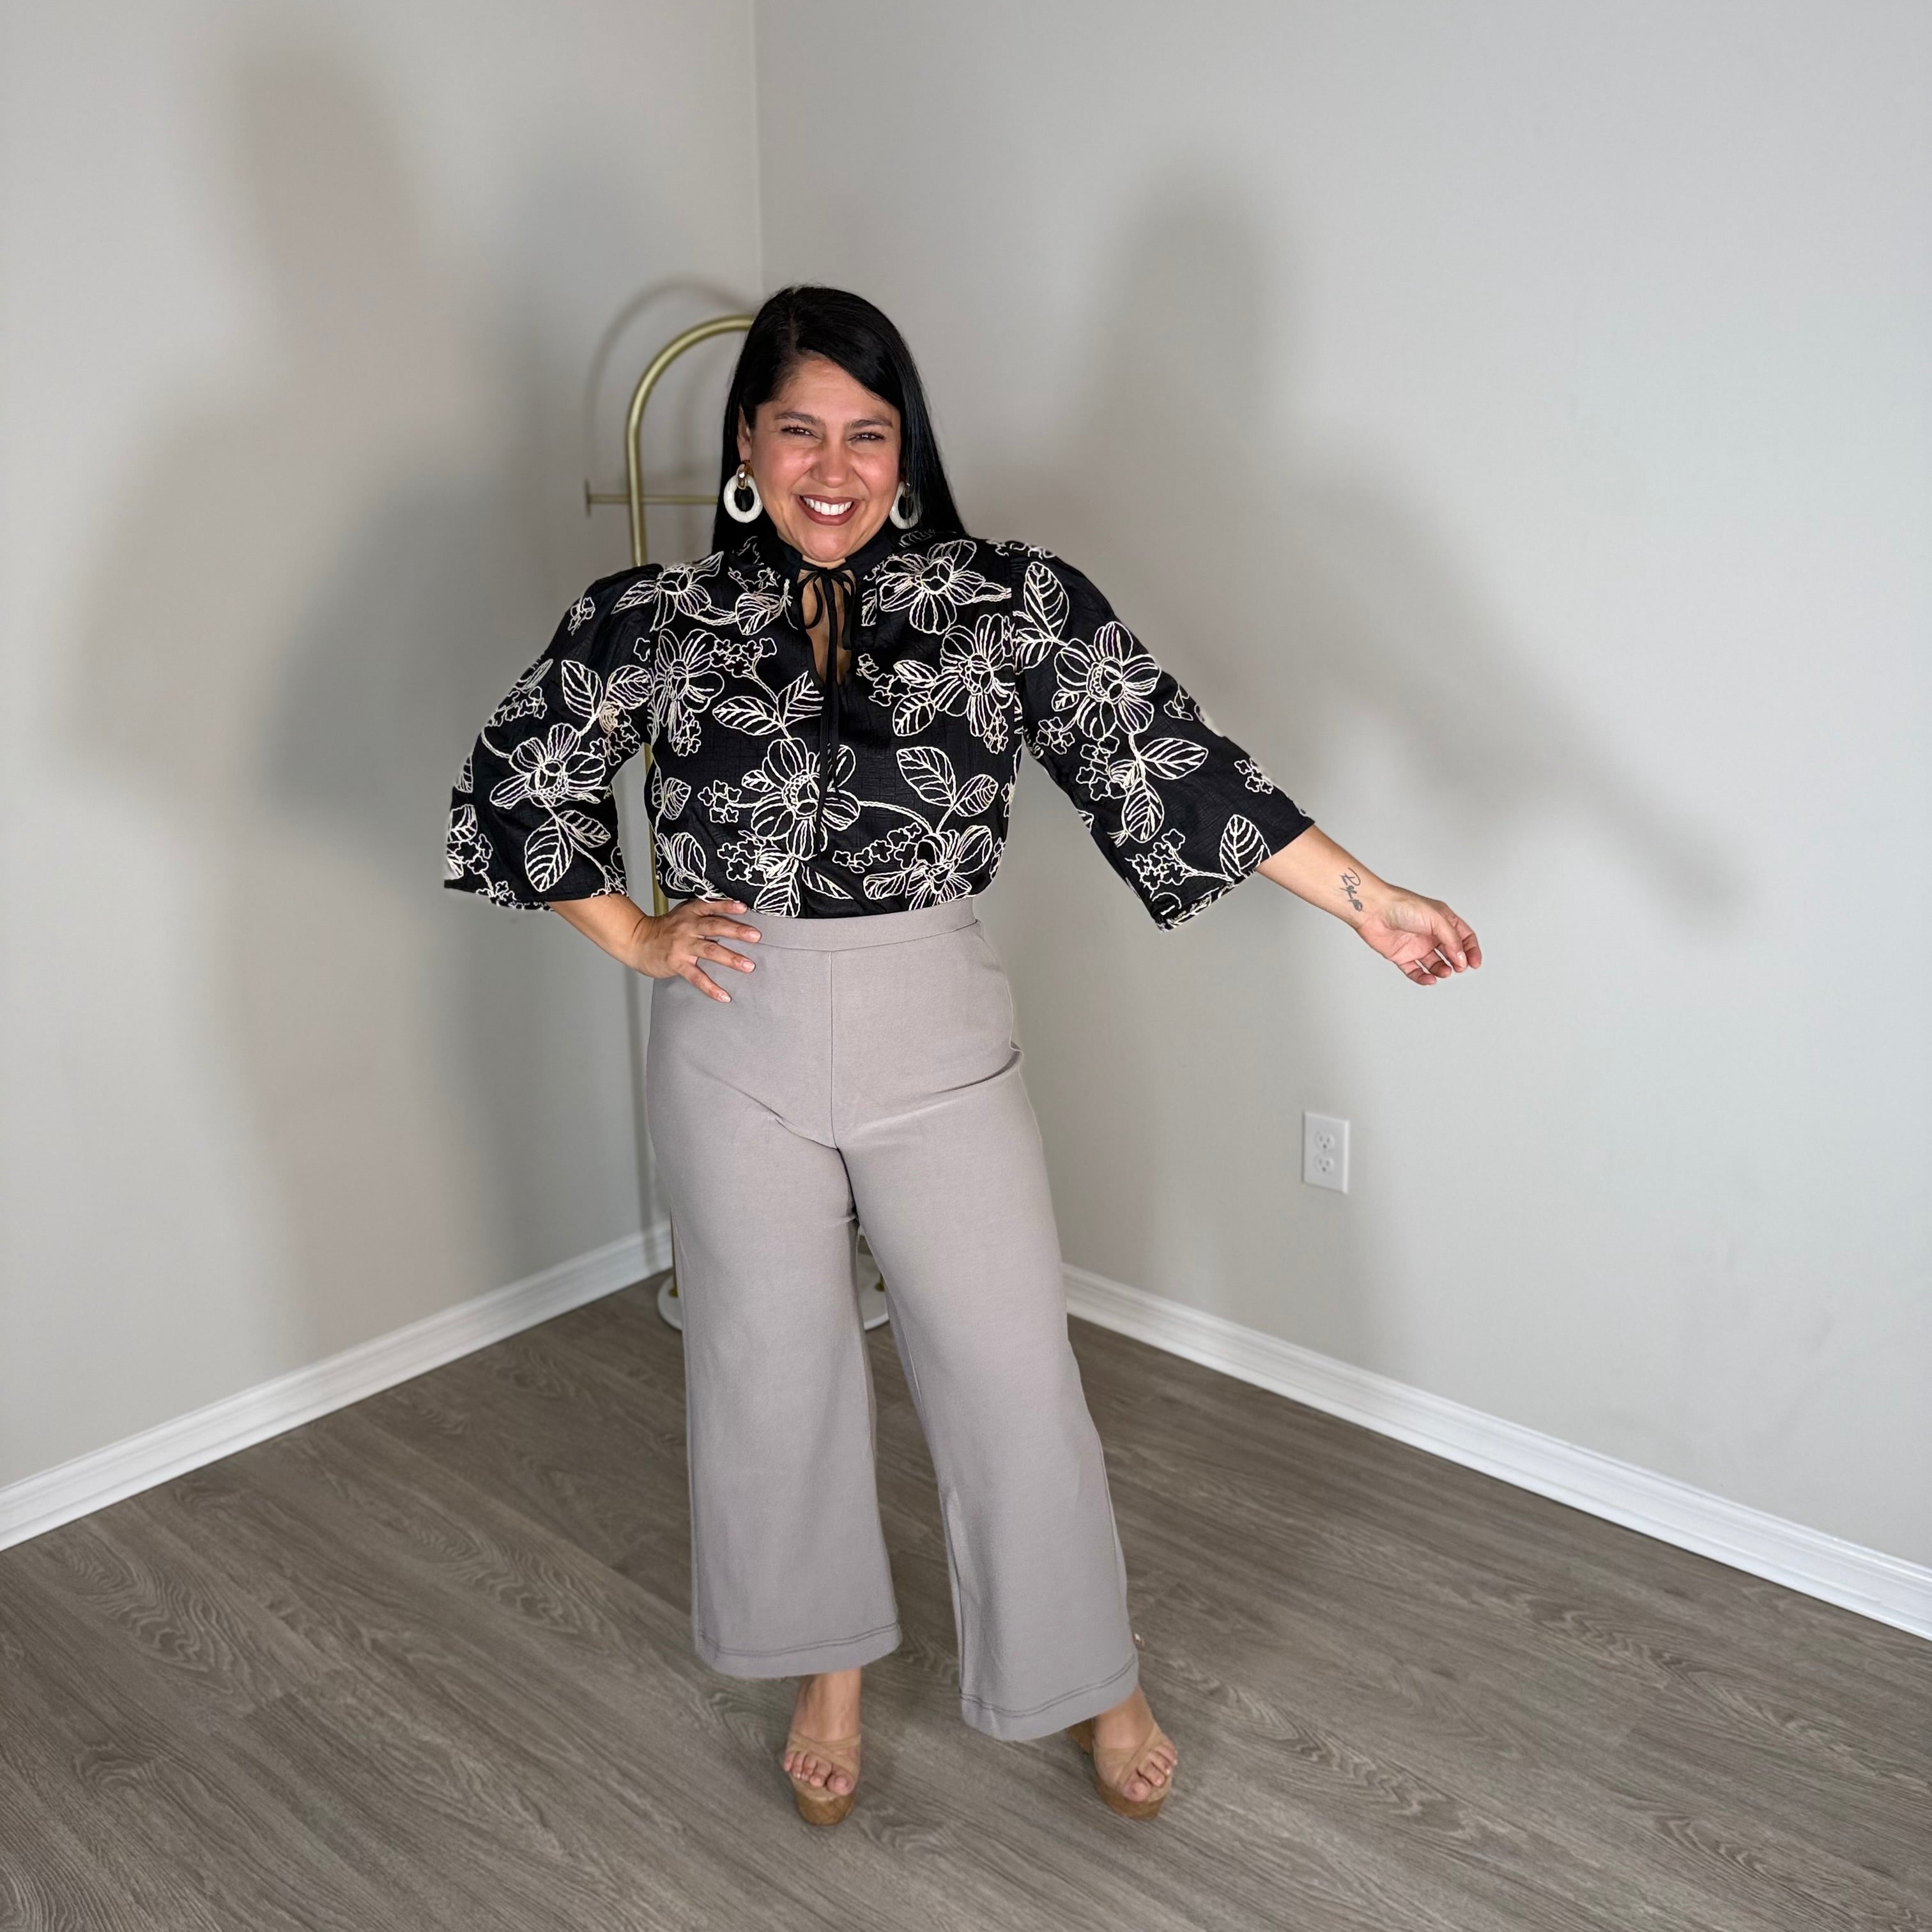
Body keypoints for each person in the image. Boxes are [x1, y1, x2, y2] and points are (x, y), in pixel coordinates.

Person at [445, 284, 1481, 1827]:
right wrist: (641, 936)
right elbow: (518, 783)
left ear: (907, 448)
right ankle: (826, 1664)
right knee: (770, 1373)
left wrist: (1368, 899)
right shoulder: (654, 618)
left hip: (935, 1028)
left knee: (1011, 1380)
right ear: (745, 441)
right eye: (797, 428)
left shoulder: (1008, 600)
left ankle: (1089, 1675)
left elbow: (1165, 754)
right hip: (733, 1040)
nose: (833, 466)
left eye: (867, 433)